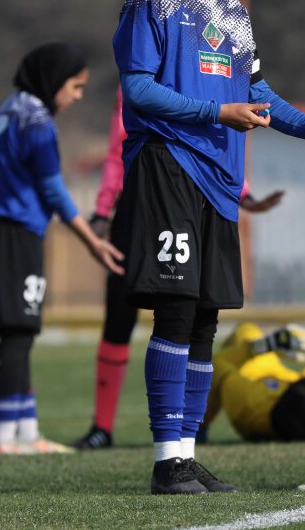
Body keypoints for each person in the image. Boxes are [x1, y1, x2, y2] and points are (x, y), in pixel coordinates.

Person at [110, 0, 305, 494]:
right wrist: (215, 113)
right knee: (174, 311)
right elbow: (137, 88)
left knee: (206, 318)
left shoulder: (233, 14)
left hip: (219, 181)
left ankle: (186, 453)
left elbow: (259, 95)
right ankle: (166, 461)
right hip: (169, 165)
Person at [73, 88, 284, 451]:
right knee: (120, 315)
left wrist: (243, 193)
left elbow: (222, 136)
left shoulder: (210, 70)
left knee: (192, 314)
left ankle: (186, 431)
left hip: (194, 201)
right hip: (141, 201)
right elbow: (118, 145)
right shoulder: (138, 80)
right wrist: (103, 210)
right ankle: (103, 428)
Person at [0, 42, 124, 456]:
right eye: (75, 86)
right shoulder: (38, 122)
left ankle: (27, 433)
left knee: (22, 330)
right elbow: (52, 189)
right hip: (17, 231)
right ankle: (2, 438)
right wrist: (92, 241)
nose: (78, 96)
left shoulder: (10, 109)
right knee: (18, 332)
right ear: (54, 80)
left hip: (2, 229)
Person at [204, 321, 305, 443]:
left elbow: (216, 364)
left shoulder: (246, 403)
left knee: (247, 330)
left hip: (251, 366)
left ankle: (199, 424)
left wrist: (263, 345)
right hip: (296, 395)